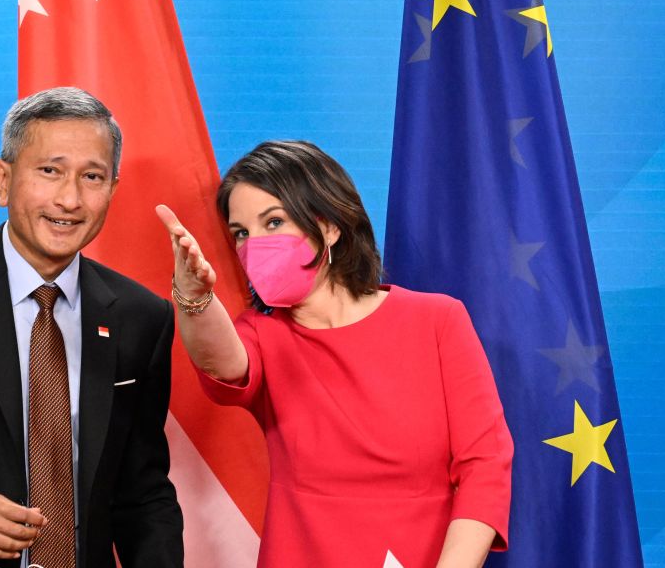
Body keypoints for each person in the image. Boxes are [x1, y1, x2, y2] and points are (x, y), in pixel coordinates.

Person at [156, 140, 513, 568]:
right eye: (241, 233)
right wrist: (193, 296)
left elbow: (485, 466)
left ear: (328, 226)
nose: (254, 245)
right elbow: (223, 364)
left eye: (274, 222)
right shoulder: (260, 334)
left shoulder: (438, 319)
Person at [0, 87, 183, 567]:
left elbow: (143, 493)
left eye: (92, 176)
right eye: (49, 171)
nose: (69, 198)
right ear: (3, 180)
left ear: (112, 188)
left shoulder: (141, 317)